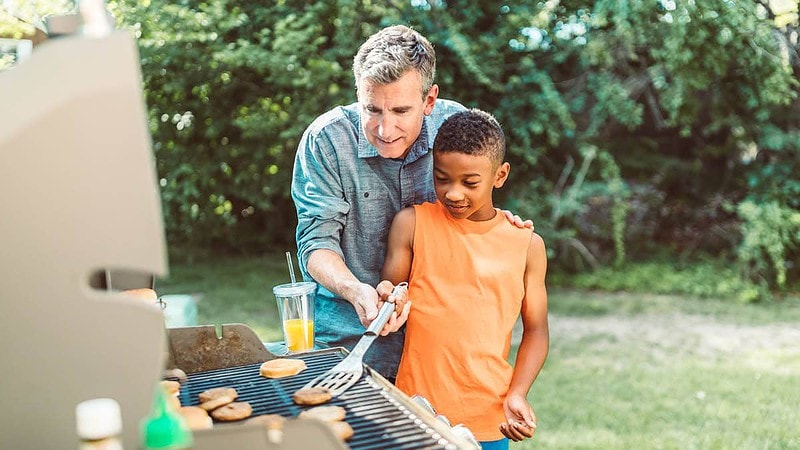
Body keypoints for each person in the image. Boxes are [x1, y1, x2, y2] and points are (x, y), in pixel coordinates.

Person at [291, 25, 531, 381]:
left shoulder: (455, 126)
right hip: (349, 336)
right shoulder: (325, 140)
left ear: (429, 100)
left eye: (401, 111)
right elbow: (316, 241)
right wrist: (356, 290)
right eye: (371, 109)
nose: (385, 129)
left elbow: (475, 207)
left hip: (439, 341)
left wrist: (494, 220)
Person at [381, 109, 549, 449]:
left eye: (470, 182)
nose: (454, 193)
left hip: (487, 419)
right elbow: (390, 296)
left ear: (500, 175)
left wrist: (518, 392)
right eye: (442, 178)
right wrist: (387, 299)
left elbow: (537, 330)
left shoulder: (527, 245)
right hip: (416, 411)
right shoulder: (411, 224)